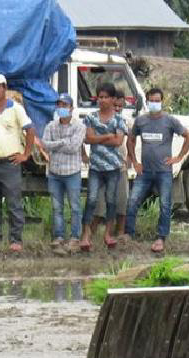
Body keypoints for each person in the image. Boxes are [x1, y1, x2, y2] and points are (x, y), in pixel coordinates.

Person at [125, 87, 189, 253]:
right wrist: (134, 161)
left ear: (162, 102)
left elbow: (188, 137)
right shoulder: (141, 121)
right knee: (133, 201)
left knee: (165, 204)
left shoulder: (170, 121)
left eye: (157, 101)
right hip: (144, 171)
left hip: (164, 172)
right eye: (151, 101)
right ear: (147, 102)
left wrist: (178, 157)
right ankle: (128, 235)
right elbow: (130, 140)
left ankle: (161, 238)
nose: (154, 103)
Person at [0, 73, 35, 252]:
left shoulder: (15, 108)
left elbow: (30, 130)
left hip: (10, 163)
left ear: (4, 88)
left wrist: (26, 154)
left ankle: (16, 239)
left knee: (13, 202)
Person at [82, 83, 126, 251]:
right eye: (100, 97)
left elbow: (118, 141)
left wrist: (98, 137)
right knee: (92, 199)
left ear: (113, 99)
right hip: (95, 167)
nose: (102, 100)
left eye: (106, 97)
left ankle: (108, 234)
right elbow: (88, 139)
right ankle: (85, 235)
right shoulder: (91, 117)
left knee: (111, 201)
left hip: (113, 167)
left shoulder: (119, 119)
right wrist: (107, 135)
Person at [41, 93, 86, 250]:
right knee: (56, 207)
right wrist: (63, 142)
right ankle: (59, 236)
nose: (61, 108)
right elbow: (45, 145)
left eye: (64, 105)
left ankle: (75, 237)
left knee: (75, 206)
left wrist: (56, 144)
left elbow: (74, 147)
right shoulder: (50, 126)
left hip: (72, 172)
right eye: (59, 105)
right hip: (55, 172)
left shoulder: (80, 126)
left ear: (71, 108)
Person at [95, 91, 131, 239]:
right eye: (115, 105)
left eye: (120, 106)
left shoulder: (126, 121)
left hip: (120, 167)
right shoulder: (98, 119)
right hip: (101, 166)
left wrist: (130, 156)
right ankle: (91, 233)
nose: (117, 108)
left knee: (122, 201)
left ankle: (120, 232)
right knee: (99, 203)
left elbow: (130, 141)